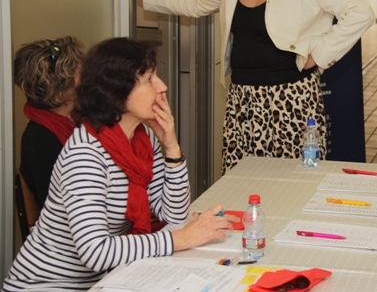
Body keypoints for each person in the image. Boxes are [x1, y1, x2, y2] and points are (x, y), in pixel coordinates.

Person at [134, 0, 376, 174]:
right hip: (242, 101)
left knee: (291, 186)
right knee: (240, 183)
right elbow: (199, 3)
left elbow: (361, 12)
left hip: (292, 102)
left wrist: (319, 55)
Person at [3, 38, 237, 291]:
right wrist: (180, 238)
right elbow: (95, 252)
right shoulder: (85, 155)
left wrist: (171, 147)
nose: (162, 86)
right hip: (46, 285)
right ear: (115, 93)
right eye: (148, 79)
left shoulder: (141, 138)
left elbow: (173, 214)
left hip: (103, 280)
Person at [14, 36, 85, 208]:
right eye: (81, 73)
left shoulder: (81, 119)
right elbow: (60, 206)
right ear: (62, 86)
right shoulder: (39, 138)